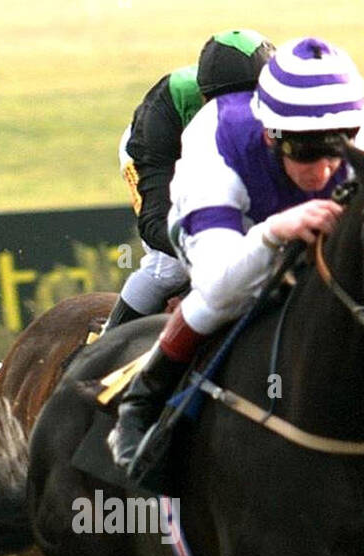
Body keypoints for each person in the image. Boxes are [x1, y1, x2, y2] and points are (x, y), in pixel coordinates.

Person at [108, 36, 364, 475]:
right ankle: (137, 398)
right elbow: (218, 283)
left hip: (262, 182)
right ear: (269, 132)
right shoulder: (209, 136)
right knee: (188, 280)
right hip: (206, 190)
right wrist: (271, 233)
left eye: (334, 150)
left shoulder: (363, 137)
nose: (320, 171)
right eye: (303, 151)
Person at [108, 29, 275, 331]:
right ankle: (99, 355)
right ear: (202, 96)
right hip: (161, 156)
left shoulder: (282, 107)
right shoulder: (161, 114)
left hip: (222, 157)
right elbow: (154, 223)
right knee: (167, 269)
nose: (236, 114)